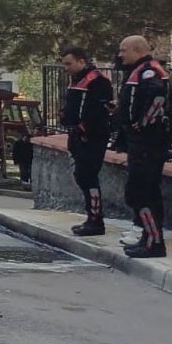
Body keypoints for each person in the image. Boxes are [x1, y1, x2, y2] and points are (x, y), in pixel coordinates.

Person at [113, 35, 172, 258]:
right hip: (142, 141)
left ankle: (154, 242)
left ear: (137, 50)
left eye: (123, 50)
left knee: (141, 192)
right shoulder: (140, 71)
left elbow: (157, 99)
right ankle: (149, 238)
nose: (120, 55)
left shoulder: (150, 71)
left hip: (148, 142)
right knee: (144, 191)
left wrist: (141, 126)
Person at [59, 47, 114, 235]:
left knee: (88, 176)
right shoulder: (77, 80)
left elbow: (98, 111)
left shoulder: (98, 81)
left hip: (92, 137)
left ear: (82, 61)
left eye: (69, 63)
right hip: (77, 136)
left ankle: (96, 220)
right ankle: (91, 217)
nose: (66, 68)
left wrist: (83, 128)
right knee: (81, 176)